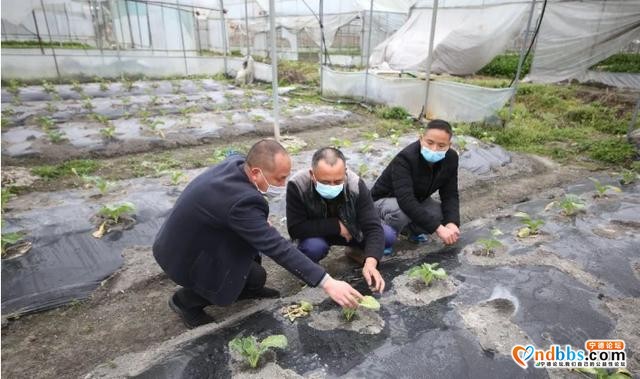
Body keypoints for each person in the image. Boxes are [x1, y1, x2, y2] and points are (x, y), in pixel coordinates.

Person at [153, 139, 363, 329]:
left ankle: (243, 289)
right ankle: (185, 302)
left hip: (194, 237)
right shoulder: (242, 203)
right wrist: (327, 282)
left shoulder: (237, 164)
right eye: (279, 179)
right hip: (185, 255)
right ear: (255, 173)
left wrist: (257, 221)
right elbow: (276, 247)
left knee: (256, 277)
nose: (282, 184)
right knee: (231, 279)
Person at [286, 147, 394, 293]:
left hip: (352, 231)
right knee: (313, 248)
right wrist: (337, 226)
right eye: (325, 182)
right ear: (312, 174)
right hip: (318, 234)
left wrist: (371, 261)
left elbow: (373, 227)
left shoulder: (355, 184)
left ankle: (354, 251)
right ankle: (310, 268)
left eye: (337, 181)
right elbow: (295, 228)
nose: (332, 186)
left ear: (345, 172)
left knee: (387, 236)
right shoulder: (298, 185)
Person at [371, 119, 460, 246]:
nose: (434, 149)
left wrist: (452, 222)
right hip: (383, 202)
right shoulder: (405, 158)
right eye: (430, 142)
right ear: (421, 138)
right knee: (400, 213)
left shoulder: (451, 158)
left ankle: (409, 232)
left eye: (441, 146)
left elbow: (450, 194)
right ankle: (383, 239)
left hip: (415, 199)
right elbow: (406, 200)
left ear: (449, 145)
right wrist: (439, 229)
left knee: (440, 215)